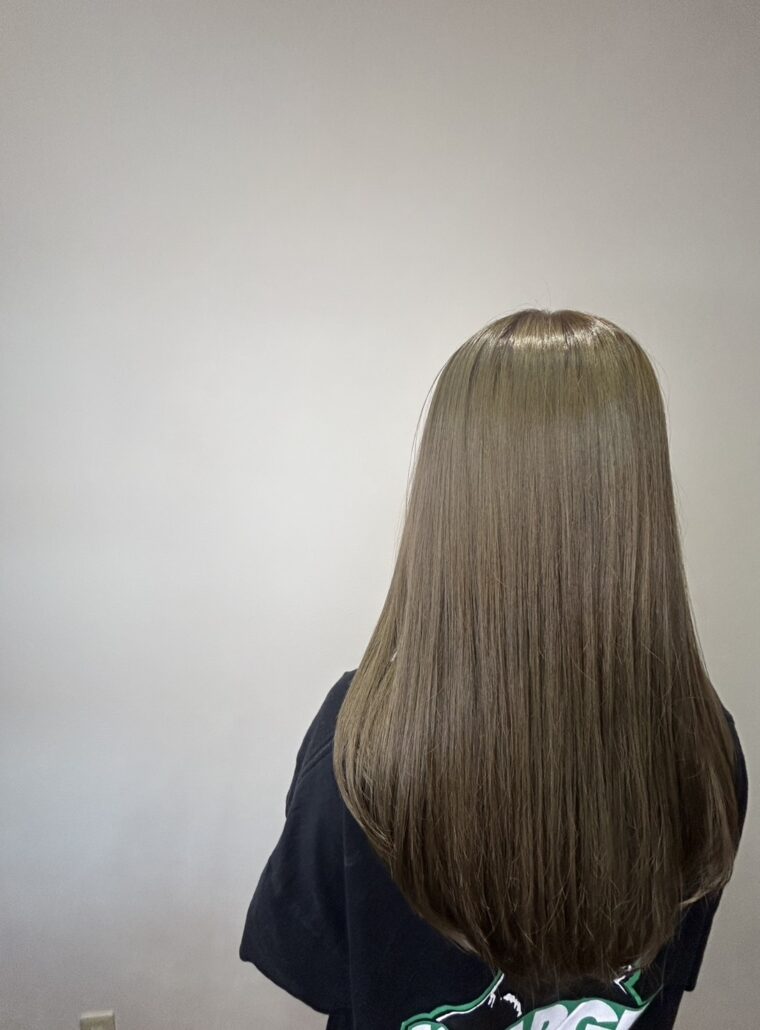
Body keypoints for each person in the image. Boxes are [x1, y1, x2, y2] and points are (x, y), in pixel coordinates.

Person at [239, 308, 748, 1029]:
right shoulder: (704, 751)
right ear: (640, 500)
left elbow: (314, 965)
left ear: (447, 495)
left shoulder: (358, 748)